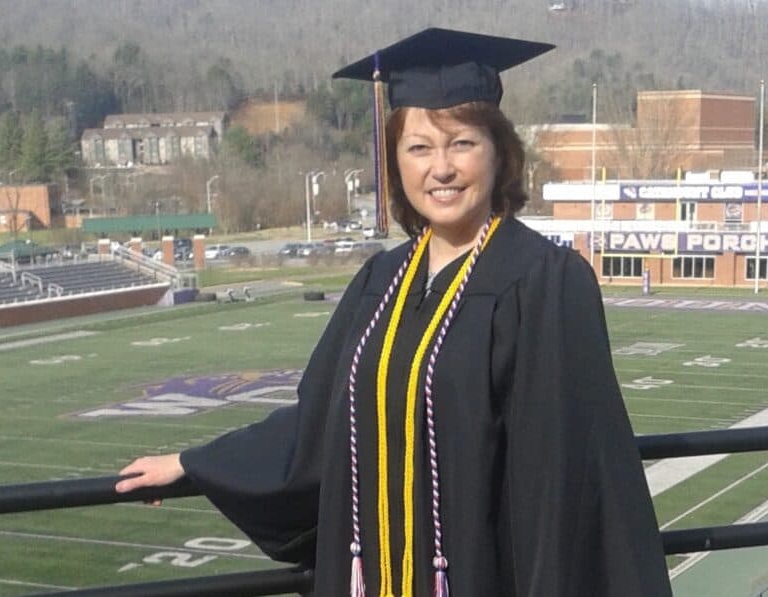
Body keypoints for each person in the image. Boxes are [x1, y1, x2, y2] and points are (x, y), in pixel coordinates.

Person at [117, 28, 671, 597]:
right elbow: (323, 425)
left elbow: (569, 481)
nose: (442, 168)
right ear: (396, 163)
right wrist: (196, 462)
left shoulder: (545, 282)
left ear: (499, 152)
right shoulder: (380, 282)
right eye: (419, 148)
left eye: (462, 144)